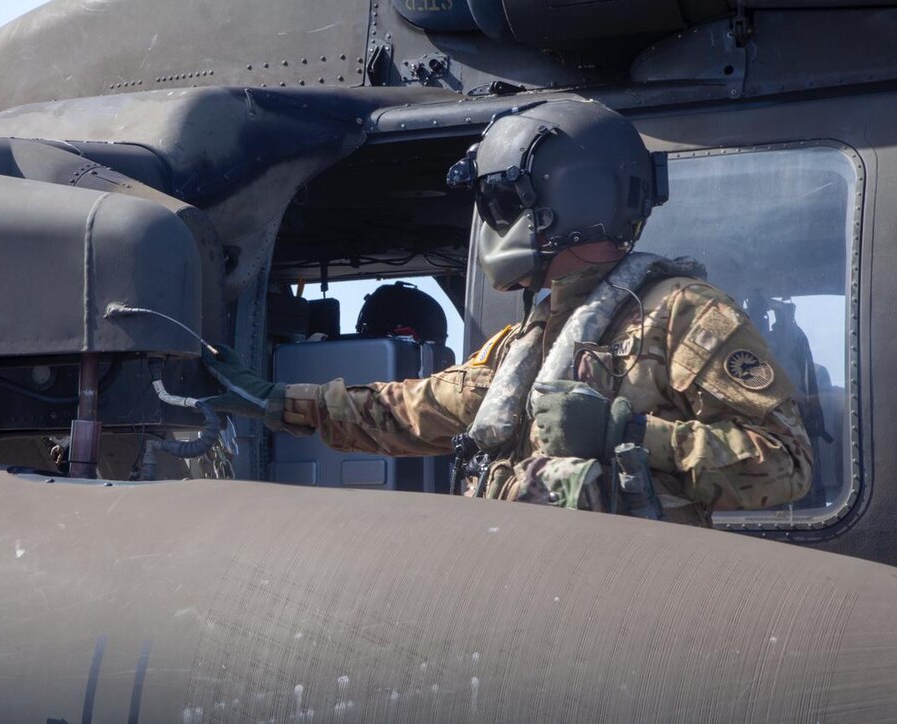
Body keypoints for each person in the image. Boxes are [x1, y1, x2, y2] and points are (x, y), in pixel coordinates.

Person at [204, 96, 812, 527]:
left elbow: (786, 466)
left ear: (561, 202)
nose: (493, 222)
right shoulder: (533, 336)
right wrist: (276, 402)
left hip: (631, 601)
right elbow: (414, 410)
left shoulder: (684, 315)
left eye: (500, 200)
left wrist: (627, 434)